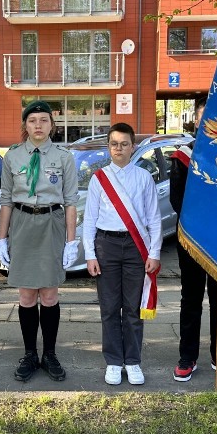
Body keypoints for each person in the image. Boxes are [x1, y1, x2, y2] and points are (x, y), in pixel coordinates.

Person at [0, 100, 78, 382]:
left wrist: (71, 241)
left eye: (44, 120)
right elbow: (6, 199)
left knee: (50, 295)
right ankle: (30, 353)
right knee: (27, 295)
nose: (38, 125)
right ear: (25, 126)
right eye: (33, 121)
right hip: (22, 224)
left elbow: (70, 202)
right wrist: (2, 239)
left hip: (52, 224)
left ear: (52, 125)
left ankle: (50, 354)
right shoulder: (13, 157)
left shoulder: (64, 157)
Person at [170, 100, 217, 382]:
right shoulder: (184, 155)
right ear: (197, 121)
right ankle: (187, 357)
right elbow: (177, 200)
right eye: (205, 117)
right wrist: (202, 227)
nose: (210, 122)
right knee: (190, 299)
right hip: (192, 238)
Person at [83, 122, 162, 386]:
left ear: (133, 146)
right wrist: (90, 255)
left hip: (135, 247)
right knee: (108, 308)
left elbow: (154, 218)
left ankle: (133, 361)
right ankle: (114, 362)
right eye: (114, 144)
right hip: (106, 245)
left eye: (124, 144)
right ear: (108, 147)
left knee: (132, 308)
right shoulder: (99, 178)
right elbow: (90, 219)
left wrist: (155, 252)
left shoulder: (143, 177)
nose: (119, 148)